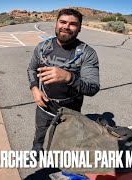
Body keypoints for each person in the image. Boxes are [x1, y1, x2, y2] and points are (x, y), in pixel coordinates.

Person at [27, 8, 100, 159]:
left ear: (79, 28)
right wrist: (34, 88)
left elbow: (93, 87)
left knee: (67, 137)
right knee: (40, 130)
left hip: (71, 109)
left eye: (73, 24)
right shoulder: (42, 48)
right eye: (63, 22)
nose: (66, 26)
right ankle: (36, 150)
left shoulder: (86, 53)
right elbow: (31, 69)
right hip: (45, 104)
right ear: (56, 23)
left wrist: (69, 77)